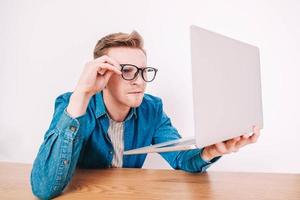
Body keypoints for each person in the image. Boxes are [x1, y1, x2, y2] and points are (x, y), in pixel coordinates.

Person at [30, 30, 260, 199]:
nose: (140, 81)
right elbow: (44, 188)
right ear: (103, 73)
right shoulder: (73, 105)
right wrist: (82, 92)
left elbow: (180, 159)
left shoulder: (152, 109)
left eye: (143, 71)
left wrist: (211, 151)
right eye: (127, 71)